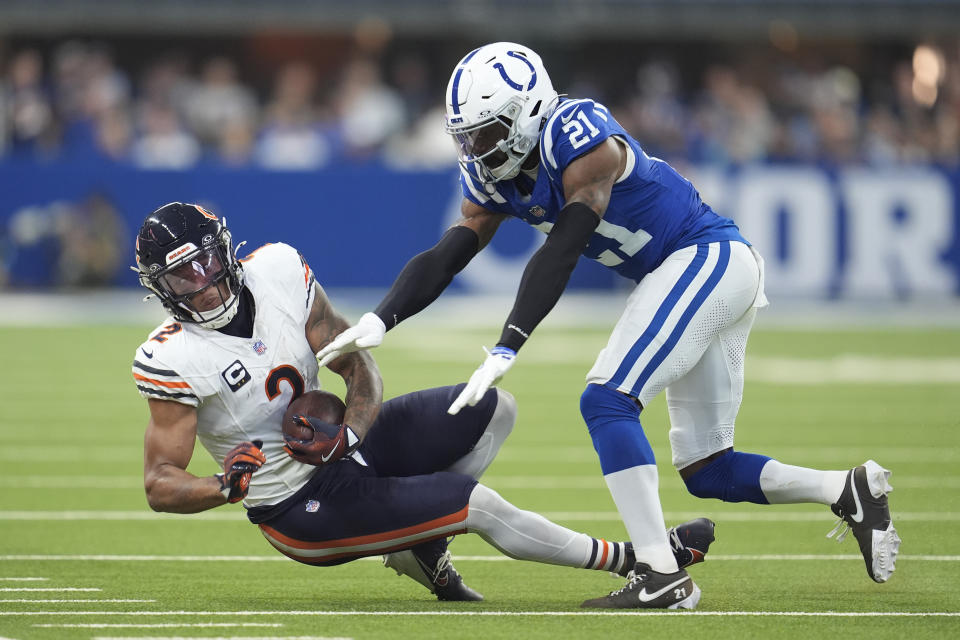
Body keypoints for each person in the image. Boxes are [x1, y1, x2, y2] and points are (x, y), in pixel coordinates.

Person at [314, 42, 901, 608]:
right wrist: (381, 316)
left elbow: (564, 247)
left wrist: (508, 343)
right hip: (692, 271)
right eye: (466, 135)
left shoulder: (578, 134)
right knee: (707, 467)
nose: (476, 147)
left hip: (704, 257)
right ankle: (846, 490)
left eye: (487, 132)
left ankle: (661, 573)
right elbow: (451, 251)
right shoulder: (495, 173)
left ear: (527, 114)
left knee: (607, 399)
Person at [131, 201, 715, 604]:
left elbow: (355, 363)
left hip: (344, 453)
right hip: (295, 504)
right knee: (477, 504)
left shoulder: (278, 270)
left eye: (207, 261)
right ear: (159, 287)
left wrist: (352, 432)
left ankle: (421, 547)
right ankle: (641, 559)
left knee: (491, 408)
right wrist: (221, 486)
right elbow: (160, 481)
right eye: (183, 278)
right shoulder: (173, 357)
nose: (205, 282)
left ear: (226, 248)